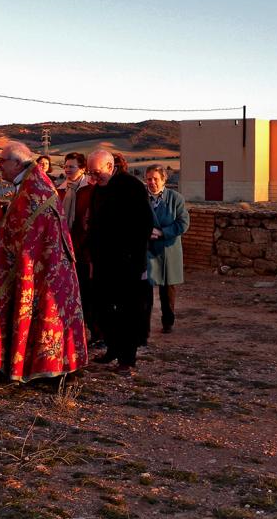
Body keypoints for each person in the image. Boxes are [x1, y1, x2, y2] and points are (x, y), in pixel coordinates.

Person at [0, 141, 87, 383]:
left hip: (43, 267)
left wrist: (0, 228)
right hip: (44, 264)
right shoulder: (31, 182)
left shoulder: (33, 188)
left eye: (2, 161)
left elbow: (27, 230)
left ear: (17, 163)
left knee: (45, 314)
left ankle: (39, 369)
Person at [87, 149, 153, 373]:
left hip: (127, 262)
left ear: (109, 166)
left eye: (96, 172)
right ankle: (112, 348)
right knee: (104, 309)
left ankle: (127, 358)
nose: (93, 177)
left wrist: (131, 257)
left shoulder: (131, 187)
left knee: (128, 312)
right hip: (102, 261)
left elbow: (144, 225)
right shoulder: (98, 189)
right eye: (90, 172)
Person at [145, 164, 190, 334]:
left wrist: (162, 232)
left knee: (168, 290)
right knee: (145, 291)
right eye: (149, 179)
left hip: (168, 250)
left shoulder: (176, 198)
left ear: (164, 180)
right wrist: (145, 231)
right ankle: (144, 325)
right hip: (147, 250)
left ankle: (168, 322)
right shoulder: (140, 198)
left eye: (155, 179)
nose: (152, 182)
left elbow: (183, 223)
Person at [58, 152, 98, 343]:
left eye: (71, 166)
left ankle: (96, 331)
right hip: (66, 248)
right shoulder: (60, 190)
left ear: (82, 169)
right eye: (65, 166)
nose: (67, 169)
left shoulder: (91, 190)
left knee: (88, 294)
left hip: (85, 250)